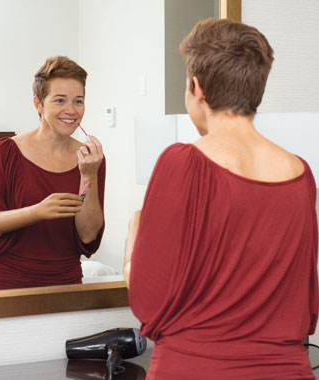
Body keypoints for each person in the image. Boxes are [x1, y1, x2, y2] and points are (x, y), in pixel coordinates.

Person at [124, 18, 318, 380]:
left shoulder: (181, 162)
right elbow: (306, 311)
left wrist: (131, 252)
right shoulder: (302, 174)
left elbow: (148, 304)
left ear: (197, 88)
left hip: (193, 369)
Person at [0, 56, 105, 291]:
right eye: (60, 100)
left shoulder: (91, 159)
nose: (71, 110)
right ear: (38, 103)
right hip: (4, 283)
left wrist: (88, 175)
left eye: (79, 101)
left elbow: (88, 237)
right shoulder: (5, 151)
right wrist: (37, 212)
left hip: (65, 285)